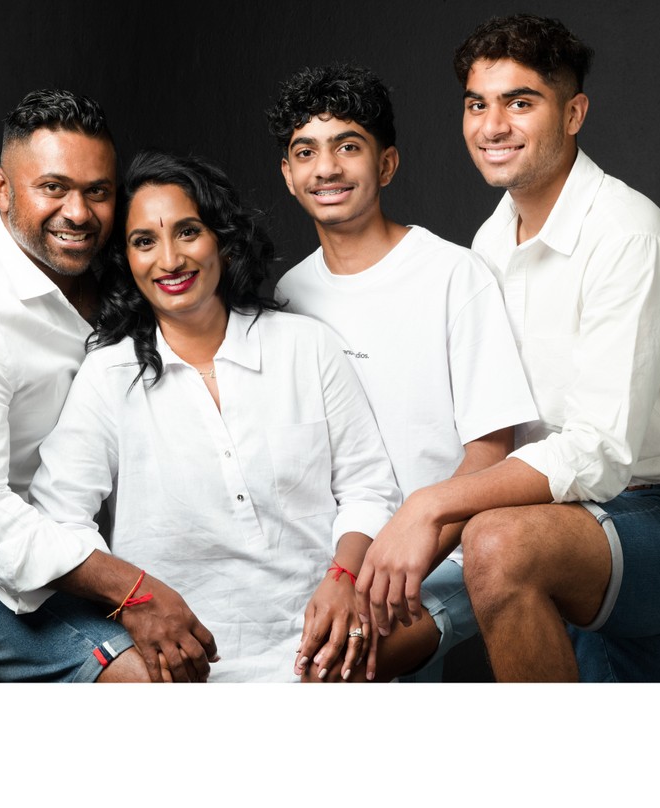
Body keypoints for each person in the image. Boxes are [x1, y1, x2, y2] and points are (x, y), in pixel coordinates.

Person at [355, 14, 660, 682]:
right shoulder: (490, 243)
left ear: (573, 113)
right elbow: (496, 427)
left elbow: (597, 453)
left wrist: (430, 506)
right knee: (361, 642)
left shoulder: (630, 238)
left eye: (520, 102)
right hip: (557, 519)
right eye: (477, 104)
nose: (492, 126)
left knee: (498, 545)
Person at [28, 150, 415, 682]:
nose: (169, 260)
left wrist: (345, 577)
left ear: (223, 241)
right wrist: (133, 602)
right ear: (126, 259)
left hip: (326, 657)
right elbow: (59, 520)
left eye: (188, 232)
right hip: (183, 669)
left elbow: (369, 489)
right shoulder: (108, 377)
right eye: (145, 241)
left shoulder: (305, 347)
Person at [0, 88, 198, 683]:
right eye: (53, 187)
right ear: (3, 189)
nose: (78, 213)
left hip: (74, 531)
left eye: (97, 191)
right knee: (144, 681)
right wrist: (133, 589)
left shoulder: (118, 264)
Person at [267, 63, 538, 680]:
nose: (327, 168)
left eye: (348, 147)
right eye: (306, 152)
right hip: (338, 555)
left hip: (447, 551)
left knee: (343, 669)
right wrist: (345, 568)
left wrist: (406, 552)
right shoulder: (289, 294)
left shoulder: (453, 275)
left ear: (385, 165)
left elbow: (493, 447)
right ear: (288, 174)